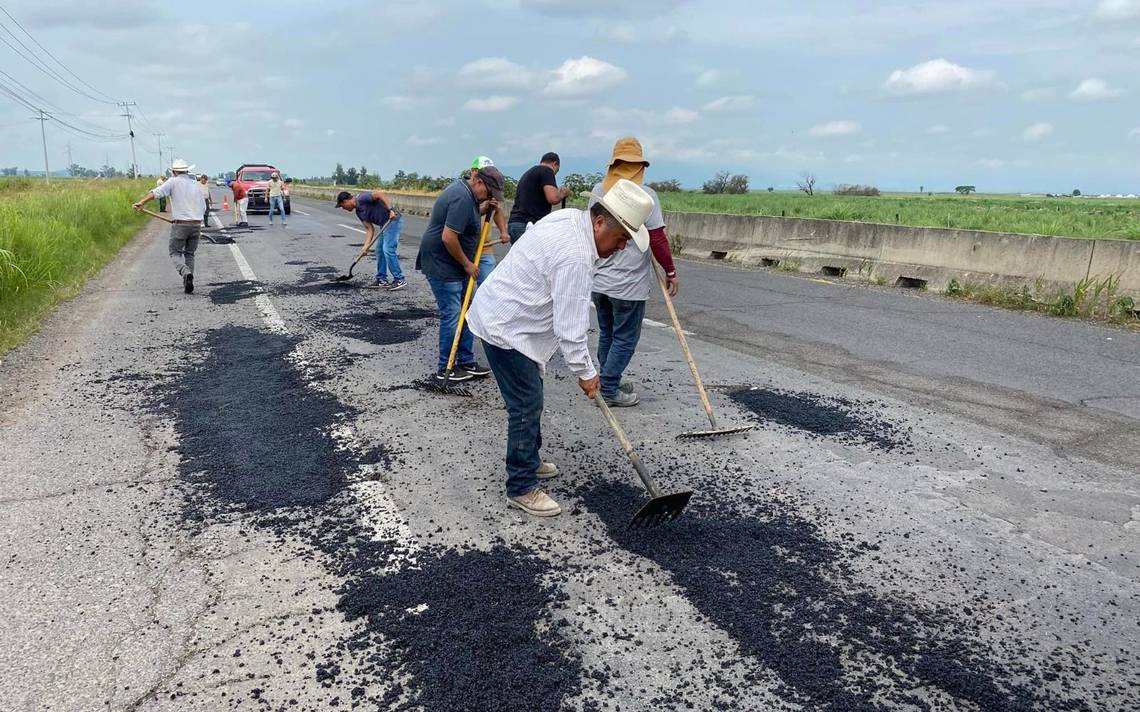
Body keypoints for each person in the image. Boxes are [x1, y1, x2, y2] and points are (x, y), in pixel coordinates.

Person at [467, 179, 653, 517]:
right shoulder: (577, 256)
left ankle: (530, 459)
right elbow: (570, 330)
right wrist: (587, 373)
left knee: (531, 393)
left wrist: (585, 370)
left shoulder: (571, 220)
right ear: (599, 222)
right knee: (525, 403)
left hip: (511, 319)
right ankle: (520, 486)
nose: (622, 247)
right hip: (505, 326)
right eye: (622, 238)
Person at [588, 137, 680, 407]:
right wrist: (671, 271)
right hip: (628, 284)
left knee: (607, 333)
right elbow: (659, 240)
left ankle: (607, 380)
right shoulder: (645, 196)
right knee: (625, 337)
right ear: (639, 166)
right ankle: (610, 388)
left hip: (599, 279)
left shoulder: (597, 191)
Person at [415, 163, 506, 383]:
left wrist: (485, 208)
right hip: (443, 264)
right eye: (490, 192)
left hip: (454, 263)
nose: (490, 196)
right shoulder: (462, 197)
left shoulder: (468, 195)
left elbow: (467, 219)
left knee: (468, 309)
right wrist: (466, 264)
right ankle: (446, 366)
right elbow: (448, 237)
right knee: (453, 314)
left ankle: (465, 360)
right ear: (479, 182)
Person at [131, 159, 206, 294]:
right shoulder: (195, 184)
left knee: (175, 252)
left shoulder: (173, 181)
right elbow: (204, 207)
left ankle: (185, 272)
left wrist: (141, 202)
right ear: (187, 170)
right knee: (190, 253)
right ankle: (188, 280)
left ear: (174, 172)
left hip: (181, 225)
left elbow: (156, 193)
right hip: (196, 224)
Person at [335, 189, 405, 290]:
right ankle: (382, 280)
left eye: (342, 206)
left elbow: (380, 194)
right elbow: (369, 229)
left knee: (388, 249)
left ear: (345, 201)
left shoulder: (362, 198)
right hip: (384, 224)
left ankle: (399, 279)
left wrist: (390, 210)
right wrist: (365, 246)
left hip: (392, 220)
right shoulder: (359, 212)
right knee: (379, 251)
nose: (343, 208)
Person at [507, 152, 569, 244]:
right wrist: (563, 193)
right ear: (555, 164)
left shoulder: (529, 173)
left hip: (515, 222)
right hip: (527, 224)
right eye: (557, 170)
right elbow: (553, 198)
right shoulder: (547, 171)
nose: (555, 174)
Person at [469, 156, 508, 285]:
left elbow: (497, 212)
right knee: (465, 289)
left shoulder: (491, 193)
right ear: (473, 171)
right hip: (467, 249)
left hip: (485, 248)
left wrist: (503, 232)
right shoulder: (465, 193)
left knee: (486, 287)